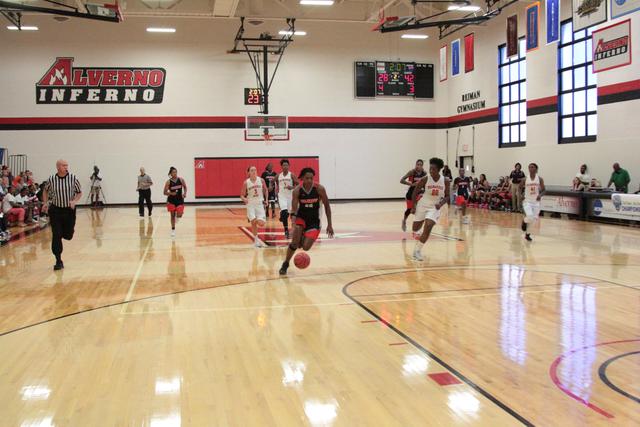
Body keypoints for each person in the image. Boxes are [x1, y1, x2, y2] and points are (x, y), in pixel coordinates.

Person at [279, 167, 334, 275]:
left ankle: (301, 237)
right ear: (302, 179)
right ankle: (285, 263)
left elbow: (327, 206)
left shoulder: (319, 189)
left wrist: (330, 225)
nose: (309, 180)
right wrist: (293, 225)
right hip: (301, 218)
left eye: (311, 178)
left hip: (314, 221)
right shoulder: (297, 190)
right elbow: (294, 210)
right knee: (294, 243)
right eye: (307, 178)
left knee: (305, 247)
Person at [42, 159, 82, 270]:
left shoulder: (73, 178)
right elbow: (45, 191)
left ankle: (66, 232)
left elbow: (79, 192)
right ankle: (58, 260)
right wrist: (45, 203)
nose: (66, 167)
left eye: (67, 165)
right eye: (64, 165)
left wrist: (74, 201)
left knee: (68, 235)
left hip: (69, 210)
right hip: (55, 210)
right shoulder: (51, 179)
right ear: (58, 167)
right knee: (56, 235)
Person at [411, 157, 449, 261]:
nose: (431, 171)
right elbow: (415, 192)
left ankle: (417, 251)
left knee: (428, 226)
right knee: (415, 228)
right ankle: (416, 233)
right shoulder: (425, 179)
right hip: (423, 205)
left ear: (439, 170)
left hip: (435, 207)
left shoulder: (445, 181)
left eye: (433, 169)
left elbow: (447, 196)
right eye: (430, 169)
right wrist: (413, 206)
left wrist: (440, 204)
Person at [241, 166, 268, 247]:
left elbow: (266, 190)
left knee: (261, 223)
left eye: (255, 170)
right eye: (252, 170)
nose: (254, 171)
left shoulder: (261, 180)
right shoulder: (246, 182)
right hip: (251, 204)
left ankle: (252, 218)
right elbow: (242, 195)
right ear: (248, 172)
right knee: (253, 222)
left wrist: (266, 200)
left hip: (259, 204)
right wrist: (244, 199)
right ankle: (256, 241)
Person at [519, 163, 545, 242]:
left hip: (536, 202)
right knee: (530, 216)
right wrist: (521, 195)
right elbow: (519, 188)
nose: (530, 168)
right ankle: (524, 221)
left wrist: (540, 195)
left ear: (536, 169)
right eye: (529, 167)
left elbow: (544, 190)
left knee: (534, 219)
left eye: (532, 167)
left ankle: (527, 234)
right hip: (527, 201)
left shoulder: (540, 179)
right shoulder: (524, 179)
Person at [400, 159, 427, 232]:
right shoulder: (412, 172)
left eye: (420, 165)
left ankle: (418, 228)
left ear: (422, 166)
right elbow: (401, 180)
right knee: (409, 210)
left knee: (419, 210)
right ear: (415, 165)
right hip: (411, 193)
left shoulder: (424, 173)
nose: (419, 166)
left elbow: (426, 183)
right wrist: (411, 184)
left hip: (419, 193)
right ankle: (404, 221)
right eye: (417, 164)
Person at [276, 159, 298, 239]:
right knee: (285, 213)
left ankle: (283, 217)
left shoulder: (291, 175)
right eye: (284, 165)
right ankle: (286, 230)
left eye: (286, 165)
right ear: (281, 166)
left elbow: (298, 184)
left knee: (291, 215)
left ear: (289, 166)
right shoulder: (278, 176)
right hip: (282, 196)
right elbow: (272, 182)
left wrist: (292, 187)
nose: (285, 166)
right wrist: (271, 187)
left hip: (290, 197)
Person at [163, 167, 187, 238]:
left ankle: (177, 215)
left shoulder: (181, 179)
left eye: (176, 172)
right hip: (171, 200)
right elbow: (164, 192)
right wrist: (171, 193)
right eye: (173, 172)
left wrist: (184, 193)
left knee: (180, 215)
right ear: (170, 174)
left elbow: (185, 187)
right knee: (172, 215)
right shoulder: (168, 182)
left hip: (179, 200)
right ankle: (173, 230)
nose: (175, 173)